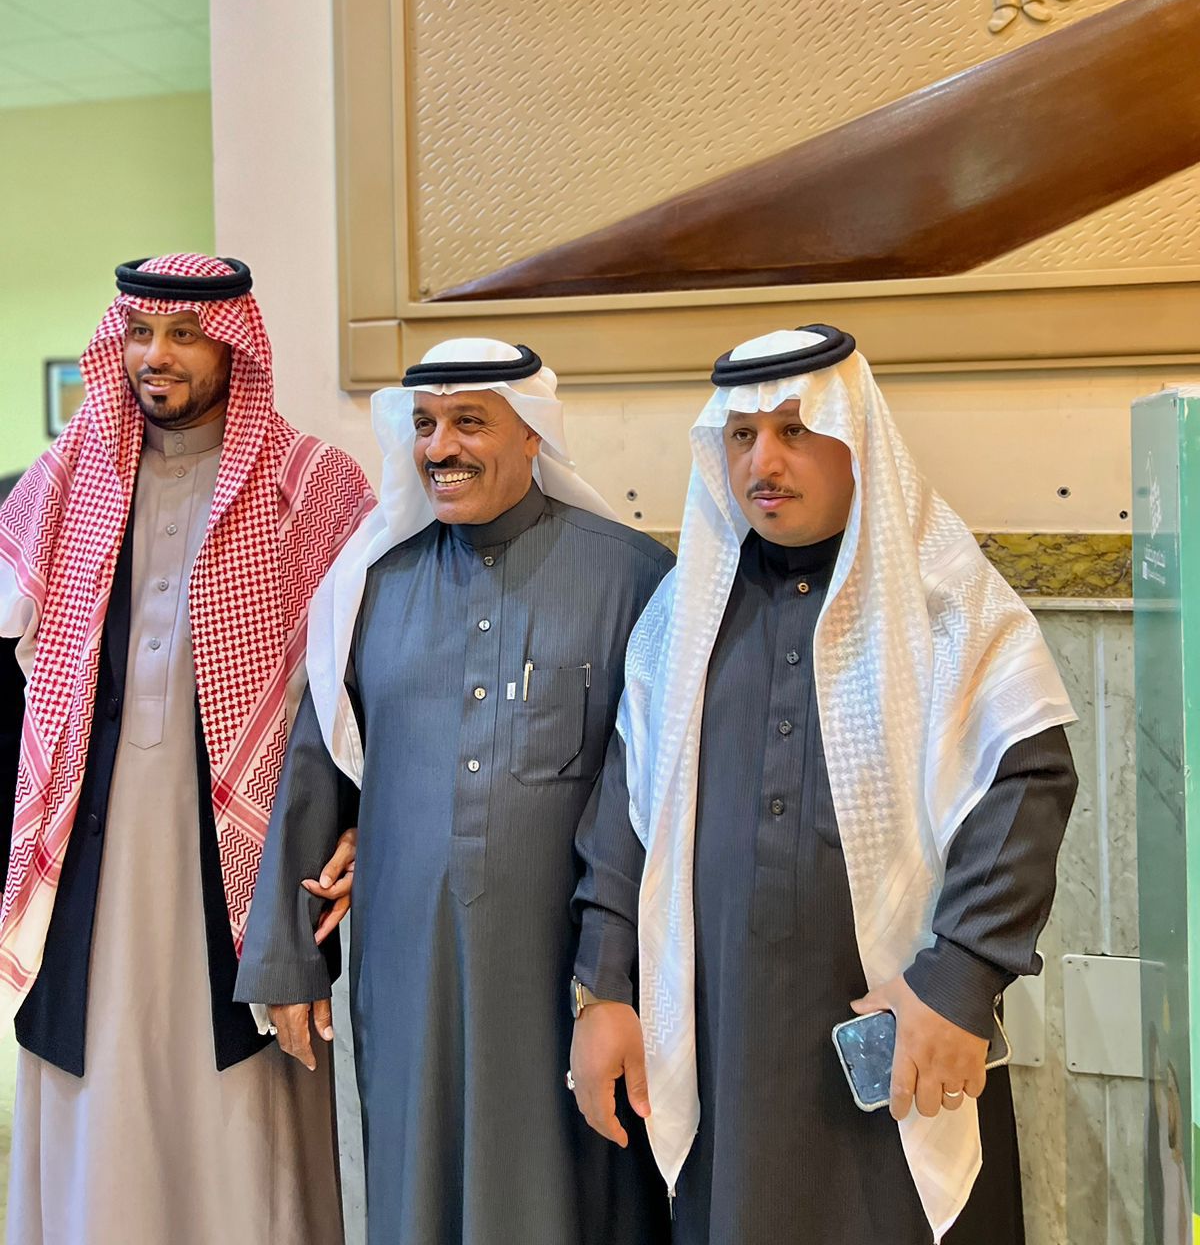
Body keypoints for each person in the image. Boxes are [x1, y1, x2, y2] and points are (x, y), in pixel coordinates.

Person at [569, 325, 1078, 1244]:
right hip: (724, 1040)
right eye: (741, 436)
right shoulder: (682, 621)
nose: (762, 462)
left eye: (795, 431)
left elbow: (1028, 782)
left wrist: (960, 978)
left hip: (905, 1027)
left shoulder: (944, 602)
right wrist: (604, 991)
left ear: (855, 438)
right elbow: (626, 816)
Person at [236, 338, 673, 1245]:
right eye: (426, 425)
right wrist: (287, 955)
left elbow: (652, 795)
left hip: (570, 970)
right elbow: (316, 768)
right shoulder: (373, 584)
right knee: (417, 1187)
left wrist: (613, 977)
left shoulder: (633, 577)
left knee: (573, 1195)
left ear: (532, 434)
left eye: (470, 421)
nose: (441, 447)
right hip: (408, 969)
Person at [0, 254, 373, 1245]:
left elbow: (363, 685)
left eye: (183, 335)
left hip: (248, 858)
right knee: (92, 1068)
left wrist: (358, 825)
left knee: (239, 1106)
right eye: (139, 333)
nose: (155, 356)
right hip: (89, 853)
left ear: (234, 347)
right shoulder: (63, 481)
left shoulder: (311, 486)